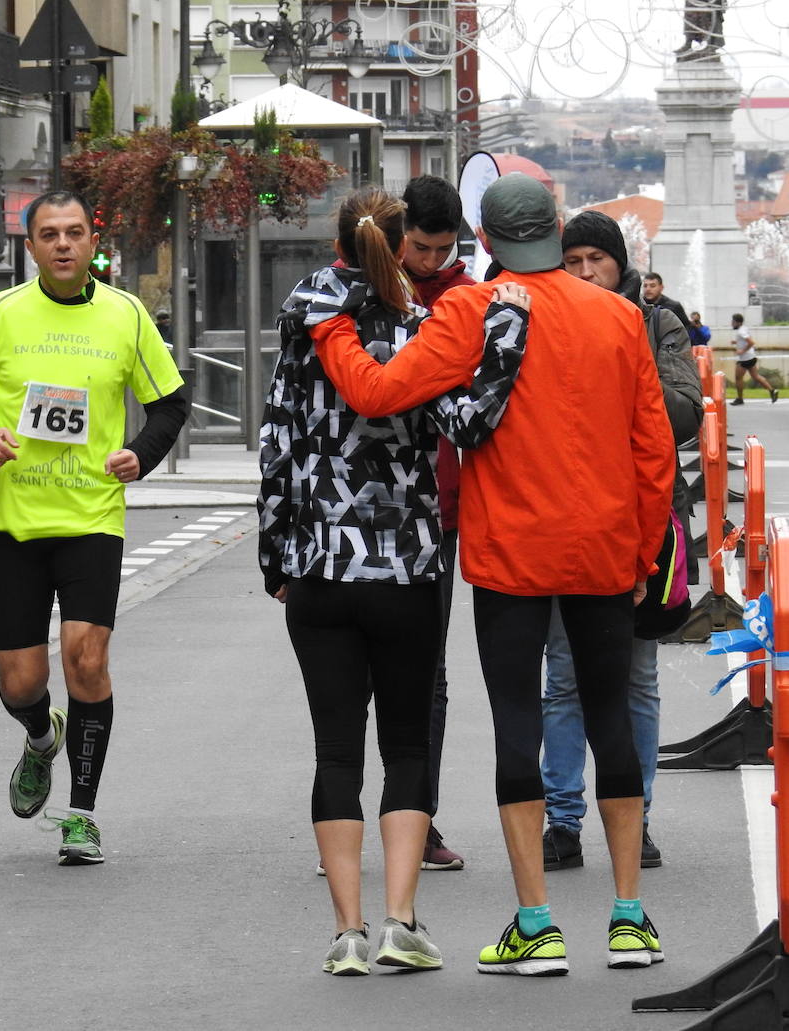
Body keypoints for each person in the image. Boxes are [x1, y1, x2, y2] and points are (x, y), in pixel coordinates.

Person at [314, 173, 674, 976]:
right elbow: (651, 446)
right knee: (610, 711)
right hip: (608, 544)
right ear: (553, 226)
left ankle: (537, 922)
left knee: (517, 716)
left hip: (512, 548)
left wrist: (332, 327)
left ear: (487, 235)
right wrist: (647, 552)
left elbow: (377, 390)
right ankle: (628, 915)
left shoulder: (472, 312)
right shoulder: (619, 315)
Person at [260, 186, 531, 976]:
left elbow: (277, 442)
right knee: (407, 741)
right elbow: (470, 427)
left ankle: (344, 929)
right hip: (407, 561)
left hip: (317, 563)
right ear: (401, 245)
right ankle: (399, 920)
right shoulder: (425, 331)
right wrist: (505, 329)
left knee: (335, 749)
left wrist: (278, 556)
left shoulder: (303, 324)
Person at [0, 190, 188, 866]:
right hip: (11, 521)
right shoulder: (1, 313)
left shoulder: (126, 315)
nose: (64, 244)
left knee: (87, 660)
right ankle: (42, 738)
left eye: (75, 232)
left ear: (90, 239)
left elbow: (170, 403)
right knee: (19, 682)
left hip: (90, 516)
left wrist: (143, 454)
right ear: (31, 244)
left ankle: (82, 814)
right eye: (50, 234)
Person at [542, 210, 703, 875]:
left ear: (620, 264)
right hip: (561, 520)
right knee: (562, 678)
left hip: (641, 521)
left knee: (637, 677)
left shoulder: (655, 321)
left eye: (596, 262)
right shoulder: (545, 319)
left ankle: (637, 815)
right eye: (572, 261)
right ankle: (562, 818)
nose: (584, 274)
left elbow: (686, 411)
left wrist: (618, 379)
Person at [400, 173, 474, 873]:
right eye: (420, 247)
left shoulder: (464, 297)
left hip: (441, 511)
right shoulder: (366, 287)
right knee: (355, 671)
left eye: (442, 248)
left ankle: (419, 819)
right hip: (366, 506)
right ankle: (352, 815)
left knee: (430, 673)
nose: (430, 260)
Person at [730, 313, 777, 405]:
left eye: (733, 321)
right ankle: (772, 391)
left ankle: (740, 399)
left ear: (738, 322)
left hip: (745, 359)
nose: (731, 323)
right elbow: (748, 340)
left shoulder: (741, 331)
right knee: (756, 376)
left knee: (738, 378)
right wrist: (736, 341)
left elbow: (751, 342)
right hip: (751, 356)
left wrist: (742, 351)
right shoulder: (744, 328)